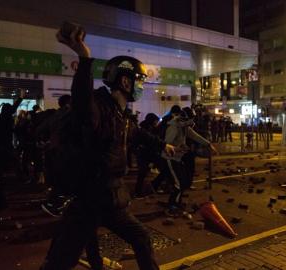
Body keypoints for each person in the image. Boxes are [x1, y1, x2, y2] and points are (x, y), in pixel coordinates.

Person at [40, 25, 174, 270]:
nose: (142, 87)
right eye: (140, 81)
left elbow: (138, 133)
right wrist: (85, 58)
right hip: (89, 201)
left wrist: (164, 144)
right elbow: (81, 104)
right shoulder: (98, 109)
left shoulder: (121, 115)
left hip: (111, 199)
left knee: (141, 238)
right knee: (60, 262)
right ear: (125, 81)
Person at [160, 105, 217, 216]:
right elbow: (166, 144)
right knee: (178, 183)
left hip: (177, 158)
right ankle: (172, 206)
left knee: (183, 181)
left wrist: (208, 144)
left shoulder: (184, 127)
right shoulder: (174, 127)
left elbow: (195, 136)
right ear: (184, 118)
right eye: (191, 119)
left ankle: (177, 203)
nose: (192, 121)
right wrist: (179, 148)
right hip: (169, 158)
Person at [134, 112, 161, 198]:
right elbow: (149, 142)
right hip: (144, 154)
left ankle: (140, 190)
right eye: (156, 121)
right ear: (152, 121)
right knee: (142, 173)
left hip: (145, 154)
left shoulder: (146, 128)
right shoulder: (144, 130)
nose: (157, 123)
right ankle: (138, 192)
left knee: (143, 174)